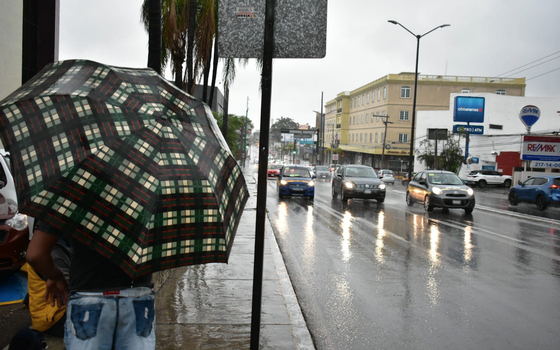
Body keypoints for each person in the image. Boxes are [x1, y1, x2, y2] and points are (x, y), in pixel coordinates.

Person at [26, 221, 155, 350]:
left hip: (88, 296)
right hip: (139, 296)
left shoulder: (72, 201)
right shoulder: (152, 201)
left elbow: (35, 255)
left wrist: (56, 277)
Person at [25, 236, 71, 337]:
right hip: (54, 317)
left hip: (49, 312)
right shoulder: (53, 251)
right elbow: (72, 290)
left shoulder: (55, 245)